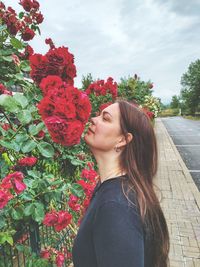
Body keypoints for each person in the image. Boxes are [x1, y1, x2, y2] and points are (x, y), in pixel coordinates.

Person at [72, 100, 170, 267]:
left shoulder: (116, 206)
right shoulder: (116, 190)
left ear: (123, 140)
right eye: (98, 115)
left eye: (106, 118)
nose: (94, 119)